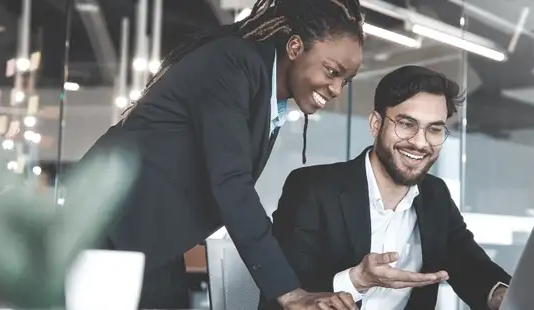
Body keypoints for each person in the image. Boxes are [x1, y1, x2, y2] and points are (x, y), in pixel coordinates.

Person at [74, 0, 365, 309]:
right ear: (295, 47)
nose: (336, 89)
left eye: (345, 81)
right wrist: (289, 292)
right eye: (332, 71)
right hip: (105, 231)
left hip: (150, 242)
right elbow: (231, 183)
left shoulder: (263, 92)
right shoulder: (233, 65)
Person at [265, 66, 512, 310]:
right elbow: (282, 292)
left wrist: (499, 293)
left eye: (434, 129)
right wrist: (355, 280)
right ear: (376, 124)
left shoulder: (435, 195)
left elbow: (469, 265)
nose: (420, 142)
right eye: (407, 124)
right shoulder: (313, 189)